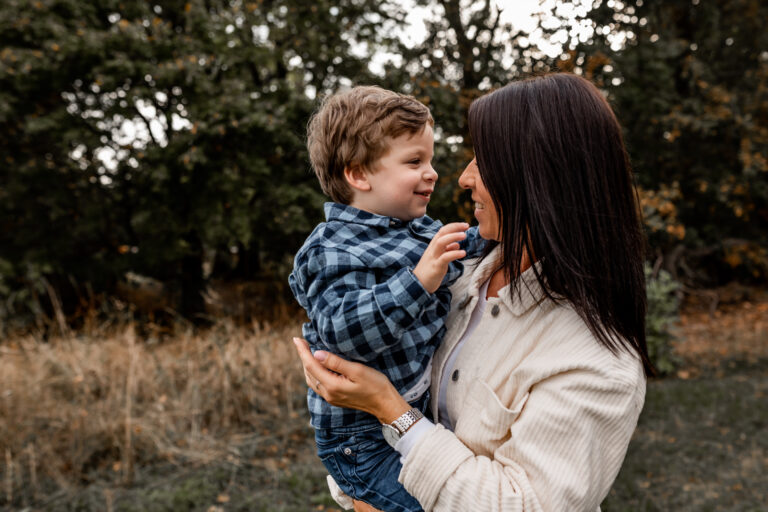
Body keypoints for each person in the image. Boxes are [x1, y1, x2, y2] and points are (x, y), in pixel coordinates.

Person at [294, 73, 654, 511]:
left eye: (483, 160)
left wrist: (390, 410)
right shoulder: (464, 275)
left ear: (539, 176)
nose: (462, 178)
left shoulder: (596, 359)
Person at [288, 86, 486, 512]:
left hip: (411, 413)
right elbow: (343, 333)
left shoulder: (415, 229)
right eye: (415, 161)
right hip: (361, 437)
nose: (432, 172)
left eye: (429, 160)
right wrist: (418, 282)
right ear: (359, 175)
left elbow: (472, 242)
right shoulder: (333, 250)